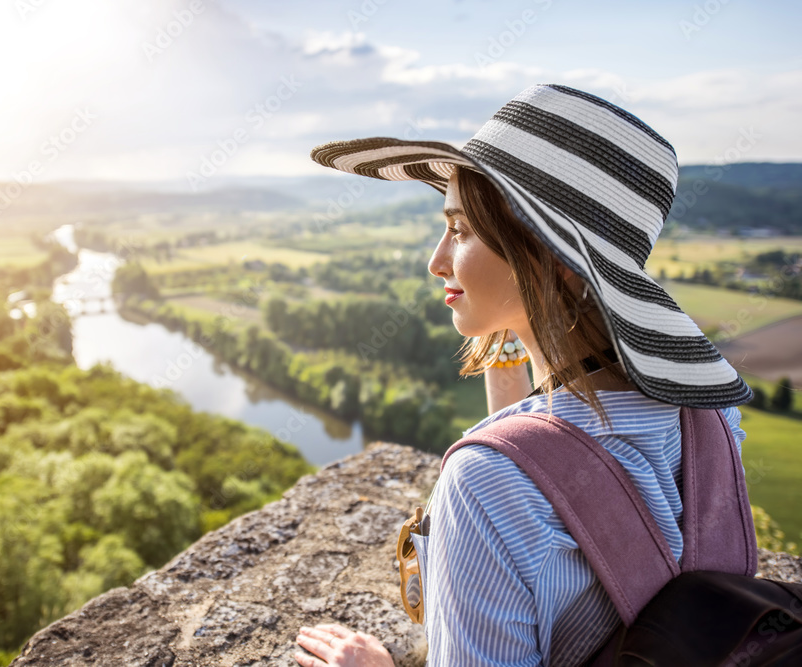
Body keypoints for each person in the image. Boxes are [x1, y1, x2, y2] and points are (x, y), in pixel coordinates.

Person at [294, 83, 753, 666]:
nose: (435, 260)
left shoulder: (483, 485)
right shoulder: (712, 422)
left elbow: (535, 471)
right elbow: (563, 457)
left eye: (459, 230)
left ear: (553, 259)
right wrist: (522, 328)